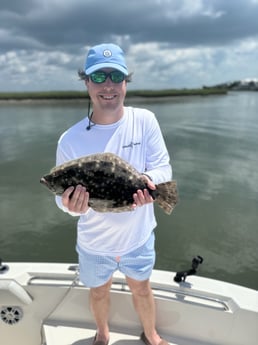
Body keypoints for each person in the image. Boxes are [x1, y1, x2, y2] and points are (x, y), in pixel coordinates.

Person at [55, 43, 172, 345]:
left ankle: (151, 334)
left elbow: (163, 167)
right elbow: (61, 199)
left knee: (142, 288)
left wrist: (149, 181)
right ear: (86, 83)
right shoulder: (70, 139)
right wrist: (72, 207)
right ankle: (103, 334)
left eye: (115, 76)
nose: (107, 85)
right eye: (98, 77)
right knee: (98, 291)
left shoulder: (144, 120)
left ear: (125, 82)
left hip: (139, 236)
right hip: (94, 242)